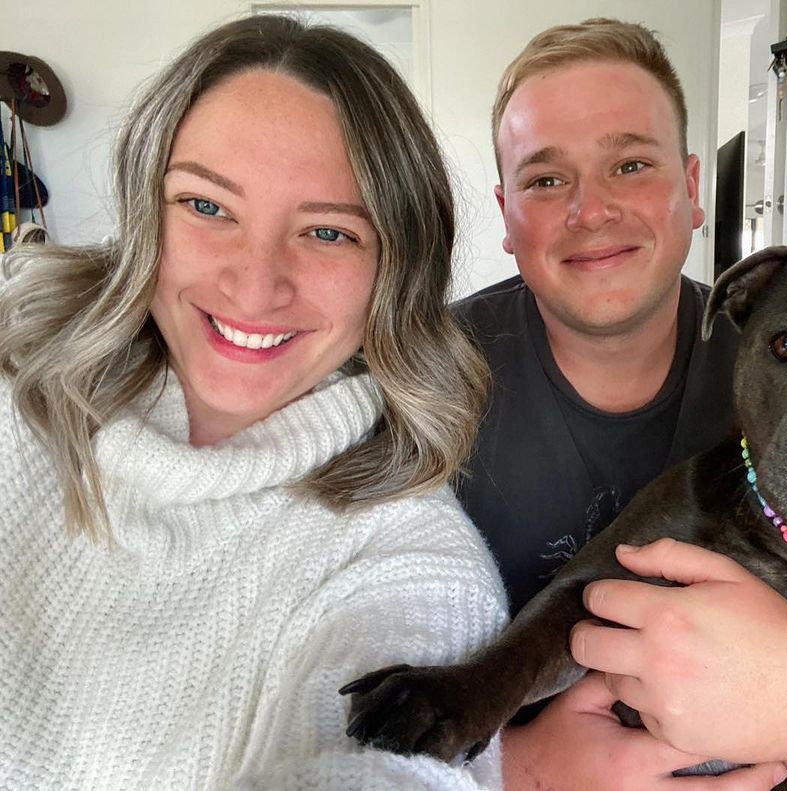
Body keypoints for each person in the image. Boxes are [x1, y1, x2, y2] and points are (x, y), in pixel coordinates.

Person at [0, 16, 508, 789]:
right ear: (145, 214)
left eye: (329, 233)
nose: (255, 282)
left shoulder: (413, 560)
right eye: (207, 207)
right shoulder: (20, 394)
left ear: (394, 274)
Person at [456, 18, 787, 791]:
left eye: (629, 164)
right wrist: (520, 769)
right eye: (546, 180)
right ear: (507, 214)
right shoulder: (427, 381)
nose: (591, 209)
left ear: (692, 190)